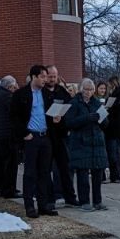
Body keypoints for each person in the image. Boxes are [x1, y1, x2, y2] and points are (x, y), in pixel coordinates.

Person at [10, 65, 57, 218]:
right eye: (42, 76)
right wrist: (24, 133)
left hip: (45, 137)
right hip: (31, 137)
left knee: (44, 172)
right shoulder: (20, 94)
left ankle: (43, 205)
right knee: (30, 173)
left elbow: (50, 112)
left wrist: (56, 118)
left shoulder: (47, 94)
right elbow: (14, 116)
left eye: (46, 76)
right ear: (34, 77)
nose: (45, 80)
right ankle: (29, 206)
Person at [63, 79, 109, 211]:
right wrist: (86, 118)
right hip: (80, 142)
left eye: (90, 89)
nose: (88, 92)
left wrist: (101, 119)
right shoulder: (74, 103)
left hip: (97, 142)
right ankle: (84, 201)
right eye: (85, 89)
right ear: (81, 89)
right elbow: (69, 123)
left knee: (97, 173)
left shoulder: (97, 103)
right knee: (82, 173)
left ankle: (97, 201)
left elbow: (106, 124)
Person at [45, 65, 77, 206]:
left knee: (65, 166)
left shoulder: (61, 90)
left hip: (61, 134)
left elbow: (68, 107)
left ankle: (69, 196)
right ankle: (51, 196)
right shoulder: (42, 92)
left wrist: (63, 119)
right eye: (50, 76)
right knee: (47, 168)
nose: (52, 79)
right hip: (47, 134)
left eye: (54, 76)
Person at [0, 74, 21, 199]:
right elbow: (14, 113)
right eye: (13, 87)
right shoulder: (7, 96)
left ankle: (1, 188)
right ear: (9, 86)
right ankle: (9, 190)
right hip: (7, 135)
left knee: (0, 164)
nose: (14, 89)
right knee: (10, 164)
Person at [101, 77, 120, 183]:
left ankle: (117, 174)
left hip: (114, 125)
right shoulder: (113, 94)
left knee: (114, 150)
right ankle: (115, 174)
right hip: (113, 124)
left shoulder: (119, 92)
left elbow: (119, 106)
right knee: (114, 149)